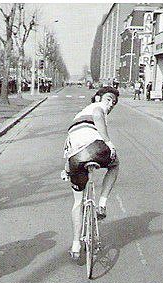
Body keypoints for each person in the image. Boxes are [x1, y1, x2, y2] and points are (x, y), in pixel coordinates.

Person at [63, 86, 119, 260]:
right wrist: (109, 143)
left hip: (74, 156)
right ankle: (101, 203)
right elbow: (97, 115)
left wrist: (66, 168)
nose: (110, 104)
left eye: (114, 103)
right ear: (97, 98)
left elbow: (67, 145)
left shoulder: (77, 117)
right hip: (94, 148)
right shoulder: (96, 108)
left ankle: (75, 245)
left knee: (77, 201)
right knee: (115, 164)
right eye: (108, 99)